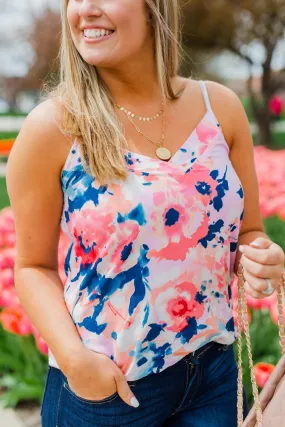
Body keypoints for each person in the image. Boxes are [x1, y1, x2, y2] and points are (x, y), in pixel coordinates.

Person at [6, 1, 285, 426]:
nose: (86, 9)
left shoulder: (221, 109)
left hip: (213, 375)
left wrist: (263, 257)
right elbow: (31, 266)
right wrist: (77, 362)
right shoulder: (54, 126)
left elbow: (248, 232)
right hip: (110, 394)